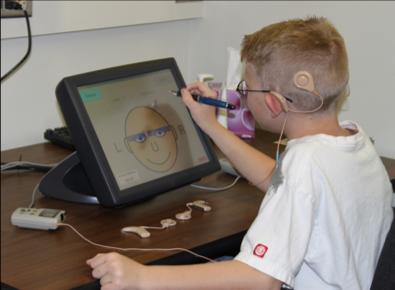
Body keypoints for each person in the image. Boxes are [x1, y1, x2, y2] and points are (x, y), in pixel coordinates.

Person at [86, 16, 393, 290]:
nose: (242, 95)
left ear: (273, 103)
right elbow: (280, 180)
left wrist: (141, 278)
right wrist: (211, 126)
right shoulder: (353, 141)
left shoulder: (306, 162)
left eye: (246, 88)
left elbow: (262, 278)